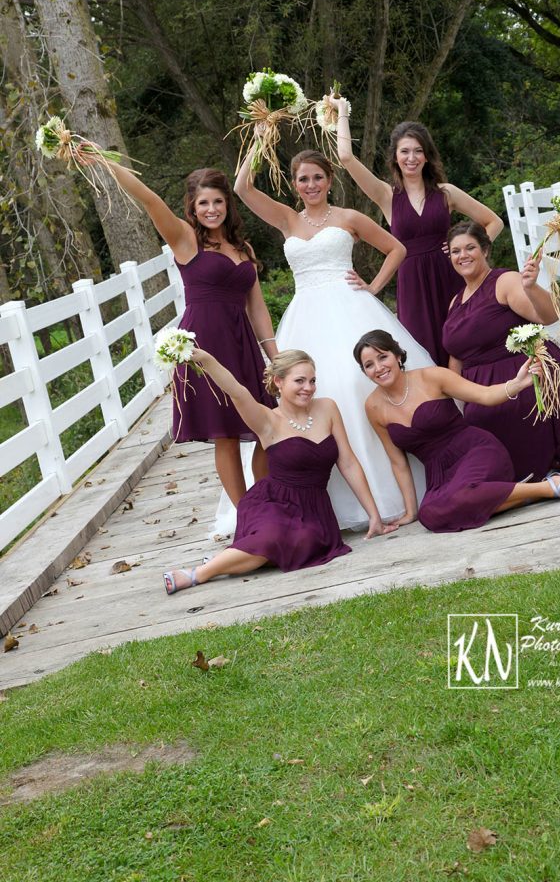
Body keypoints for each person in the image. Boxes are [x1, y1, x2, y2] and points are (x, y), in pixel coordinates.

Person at [231, 142, 434, 529]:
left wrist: (372, 287)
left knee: (358, 386)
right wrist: (259, 138)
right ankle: (328, 502)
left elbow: (396, 248)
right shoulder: (288, 219)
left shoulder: (349, 217)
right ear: (294, 184)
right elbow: (242, 189)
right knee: (309, 393)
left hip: (351, 308)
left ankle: (389, 493)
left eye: (318, 178)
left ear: (329, 180)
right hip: (305, 314)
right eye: (303, 179)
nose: (311, 185)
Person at [78, 149, 277, 506]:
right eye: (204, 203)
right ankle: (246, 515)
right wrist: (107, 163)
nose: (212, 209)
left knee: (266, 426)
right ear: (193, 207)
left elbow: (258, 309)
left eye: (218, 201)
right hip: (206, 345)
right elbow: (150, 200)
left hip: (243, 344)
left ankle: (266, 504)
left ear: (228, 204)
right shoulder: (186, 240)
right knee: (226, 435)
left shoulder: (243, 248)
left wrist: (275, 358)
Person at [163, 349, 398, 593]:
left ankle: (225, 560)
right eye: (299, 381)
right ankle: (195, 575)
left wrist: (374, 516)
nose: (308, 387)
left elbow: (348, 462)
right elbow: (236, 391)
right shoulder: (267, 420)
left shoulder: (327, 408)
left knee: (303, 542)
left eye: (312, 380)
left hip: (313, 508)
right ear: (279, 381)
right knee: (271, 538)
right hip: (272, 503)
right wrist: (206, 360)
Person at [355, 330, 560, 534]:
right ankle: (527, 493)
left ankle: (550, 487)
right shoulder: (373, 407)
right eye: (369, 365)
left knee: (463, 496)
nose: (378, 368)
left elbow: (484, 395)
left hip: (475, 450)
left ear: (397, 355)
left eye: (382, 357)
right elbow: (398, 462)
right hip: (439, 473)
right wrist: (410, 511)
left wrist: (517, 384)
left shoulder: (432, 377)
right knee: (430, 515)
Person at [329, 95, 504, 365]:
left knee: (464, 344)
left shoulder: (446, 193)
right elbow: (345, 157)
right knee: (423, 352)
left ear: (427, 155)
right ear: (395, 157)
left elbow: (494, 222)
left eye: (418, 151)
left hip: (451, 275)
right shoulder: (386, 195)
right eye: (405, 151)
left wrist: (470, 252)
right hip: (412, 284)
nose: (412, 158)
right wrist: (342, 111)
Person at [442, 221, 560, 482]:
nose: (463, 256)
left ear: (485, 250)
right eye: (456, 251)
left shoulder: (504, 282)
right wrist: (452, 402)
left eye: (470, 248)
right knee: (470, 440)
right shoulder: (455, 301)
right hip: (480, 389)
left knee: (501, 445)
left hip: (522, 373)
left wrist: (530, 287)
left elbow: (547, 317)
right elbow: (456, 355)